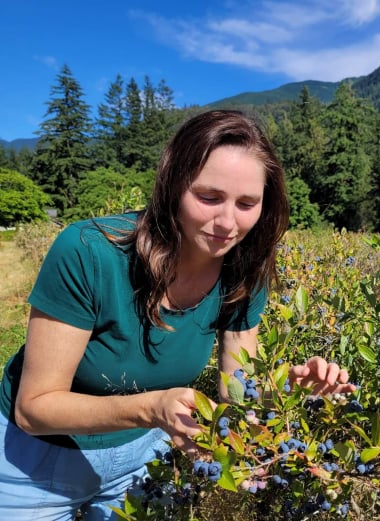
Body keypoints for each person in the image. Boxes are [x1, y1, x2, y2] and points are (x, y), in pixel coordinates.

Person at [0, 109, 356, 520]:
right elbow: (34, 409)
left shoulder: (243, 271)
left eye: (247, 203)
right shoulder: (89, 253)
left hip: (141, 461)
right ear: (172, 185)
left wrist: (286, 391)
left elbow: (236, 392)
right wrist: (152, 409)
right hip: (34, 462)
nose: (227, 223)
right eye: (209, 197)